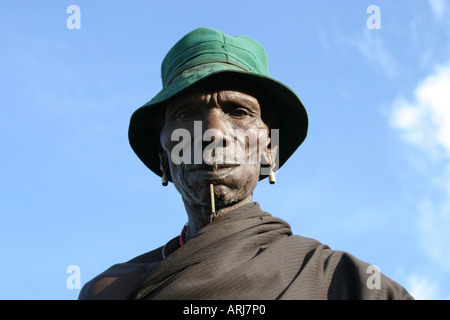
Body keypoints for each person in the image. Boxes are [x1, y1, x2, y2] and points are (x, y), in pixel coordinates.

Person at [79, 27, 413, 300]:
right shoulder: (112, 291)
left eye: (239, 112)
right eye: (185, 114)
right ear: (163, 155)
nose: (212, 133)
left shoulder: (342, 283)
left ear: (270, 149)